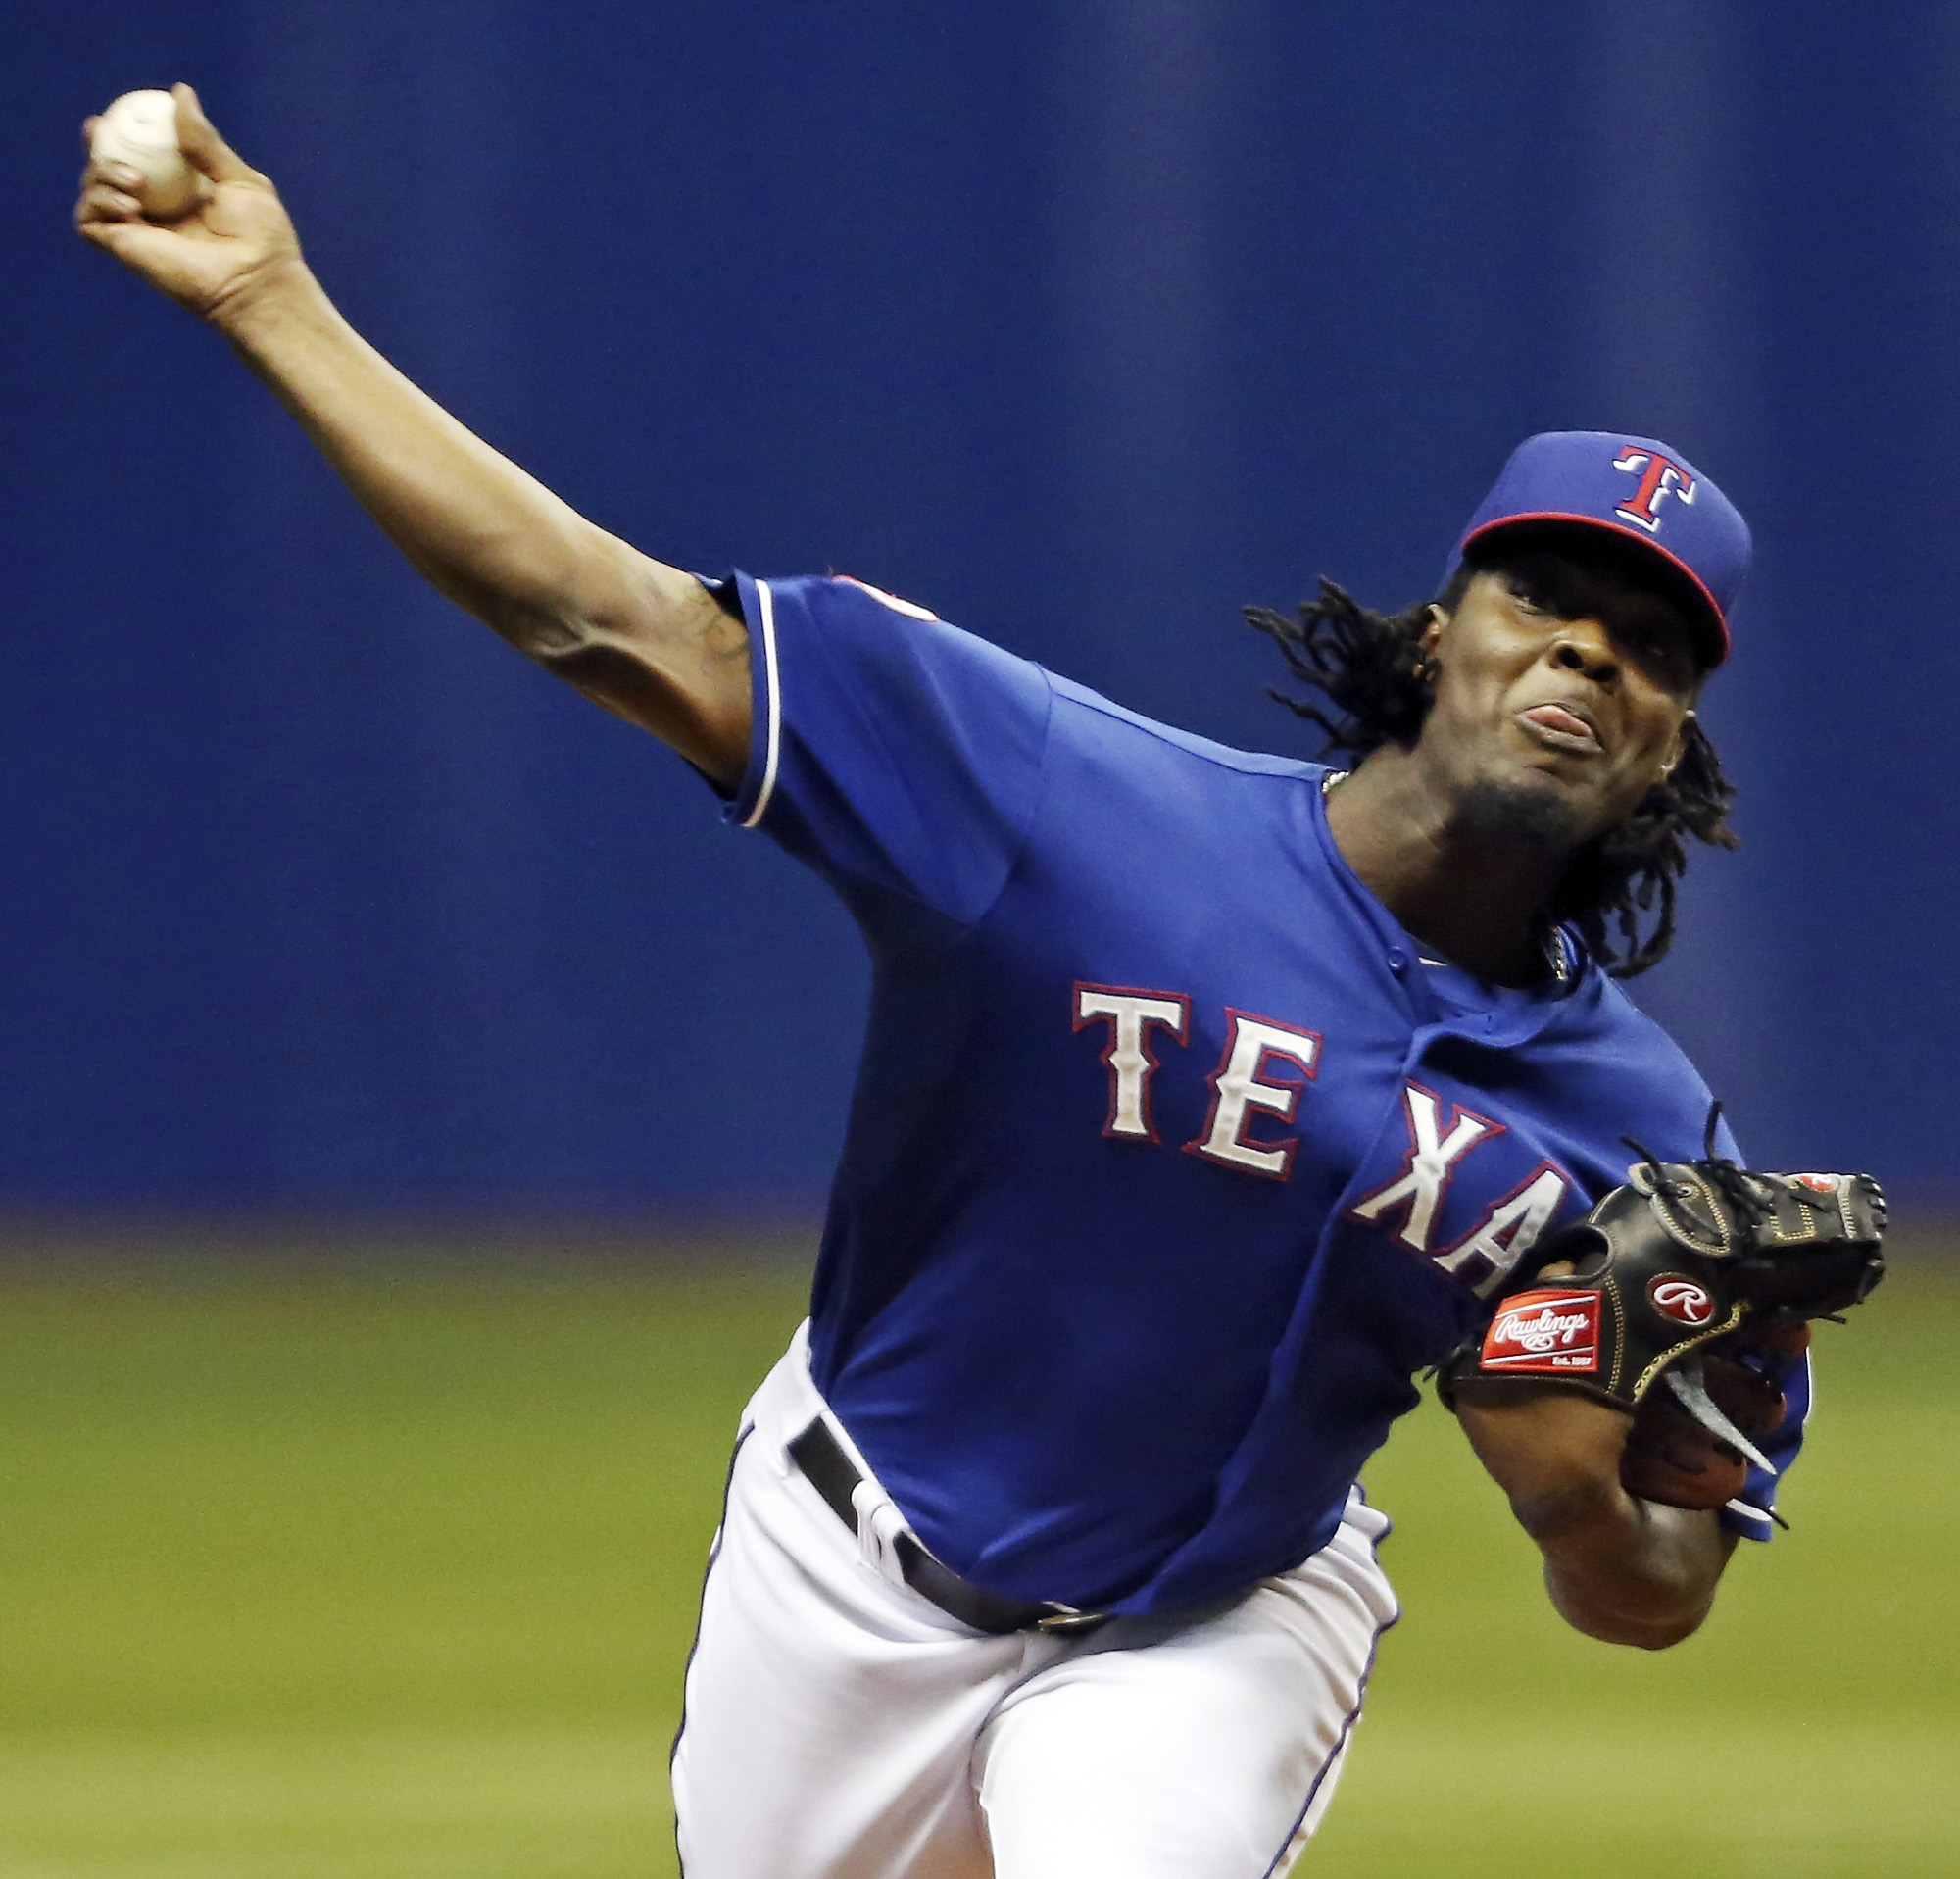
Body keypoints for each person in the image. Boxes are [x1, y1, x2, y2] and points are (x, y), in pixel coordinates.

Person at [77, 87, 1804, 1879]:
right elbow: (604, 618)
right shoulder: (1064, 805)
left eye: (1658, 645)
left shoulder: (1648, 1142)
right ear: (1444, 636)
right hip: (844, 1557)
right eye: (1550, 592)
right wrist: (271, 301)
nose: (1595, 644)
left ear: (1669, 745)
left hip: (1213, 1623)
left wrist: (1584, 1502)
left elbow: (1653, 1596)